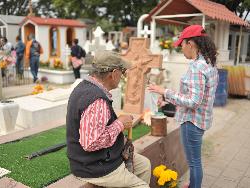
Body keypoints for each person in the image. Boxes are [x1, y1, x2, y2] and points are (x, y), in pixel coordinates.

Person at [66, 50, 151, 188]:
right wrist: (120, 124)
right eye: (122, 72)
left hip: (101, 158)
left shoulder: (87, 87)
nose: (123, 76)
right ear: (114, 73)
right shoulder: (96, 99)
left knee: (145, 165)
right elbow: (91, 142)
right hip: (93, 167)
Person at [148, 25, 219, 188]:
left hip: (192, 122)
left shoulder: (197, 67)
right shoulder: (209, 62)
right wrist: (168, 99)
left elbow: (194, 101)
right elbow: (196, 96)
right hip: (201, 119)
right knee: (195, 161)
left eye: (182, 44)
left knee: (194, 162)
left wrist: (164, 91)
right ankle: (194, 183)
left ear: (191, 44)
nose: (181, 48)